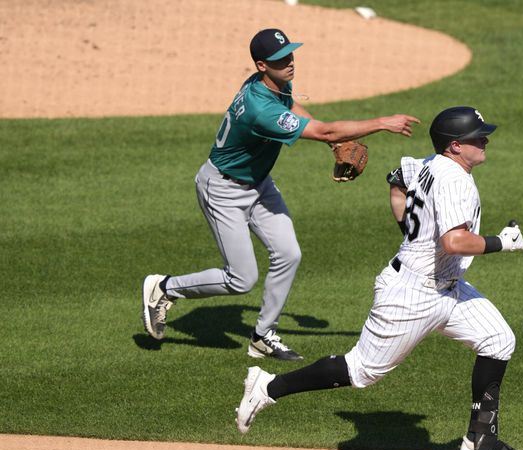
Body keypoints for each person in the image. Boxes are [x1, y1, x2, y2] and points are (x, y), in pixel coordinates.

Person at [235, 106, 523, 450]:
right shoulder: (455, 180)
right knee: (361, 371)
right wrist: (502, 242)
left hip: (448, 288)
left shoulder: (428, 163)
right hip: (413, 294)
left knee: (498, 340)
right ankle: (267, 386)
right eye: (477, 136)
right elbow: (455, 241)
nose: (484, 140)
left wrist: (414, 233)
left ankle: (479, 439)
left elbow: (397, 180)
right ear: (455, 146)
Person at [141, 28, 419, 361]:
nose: (289, 63)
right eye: (279, 60)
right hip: (223, 190)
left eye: (289, 54)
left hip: (258, 184)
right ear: (261, 65)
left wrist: (331, 141)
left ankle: (262, 335)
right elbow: (324, 129)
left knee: (288, 254)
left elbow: (292, 105)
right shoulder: (260, 110)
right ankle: (164, 288)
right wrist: (382, 122)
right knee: (241, 279)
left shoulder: (268, 84)